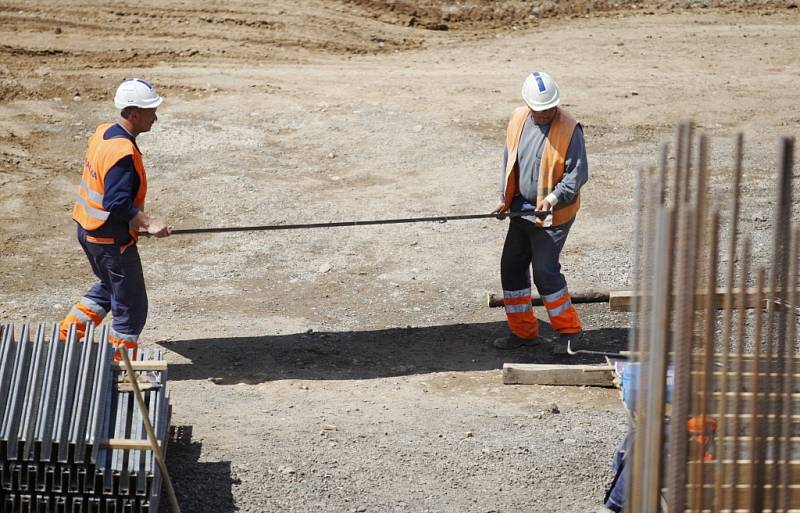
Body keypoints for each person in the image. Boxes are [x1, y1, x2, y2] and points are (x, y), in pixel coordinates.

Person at [59, 78, 171, 358]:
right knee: (131, 306)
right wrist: (148, 223)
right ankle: (120, 366)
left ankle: (66, 339)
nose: (155, 117)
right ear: (134, 114)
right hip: (110, 241)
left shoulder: (104, 133)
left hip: (90, 231)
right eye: (151, 111)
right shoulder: (122, 152)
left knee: (110, 288)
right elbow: (116, 202)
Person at [491, 71, 588, 349]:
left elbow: (577, 175)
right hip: (521, 208)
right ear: (529, 105)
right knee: (511, 268)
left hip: (554, 215)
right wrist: (504, 199)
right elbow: (509, 159)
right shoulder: (519, 119)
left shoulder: (570, 129)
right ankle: (523, 333)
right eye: (541, 109)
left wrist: (554, 199)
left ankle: (570, 332)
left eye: (550, 108)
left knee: (544, 272)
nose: (546, 113)